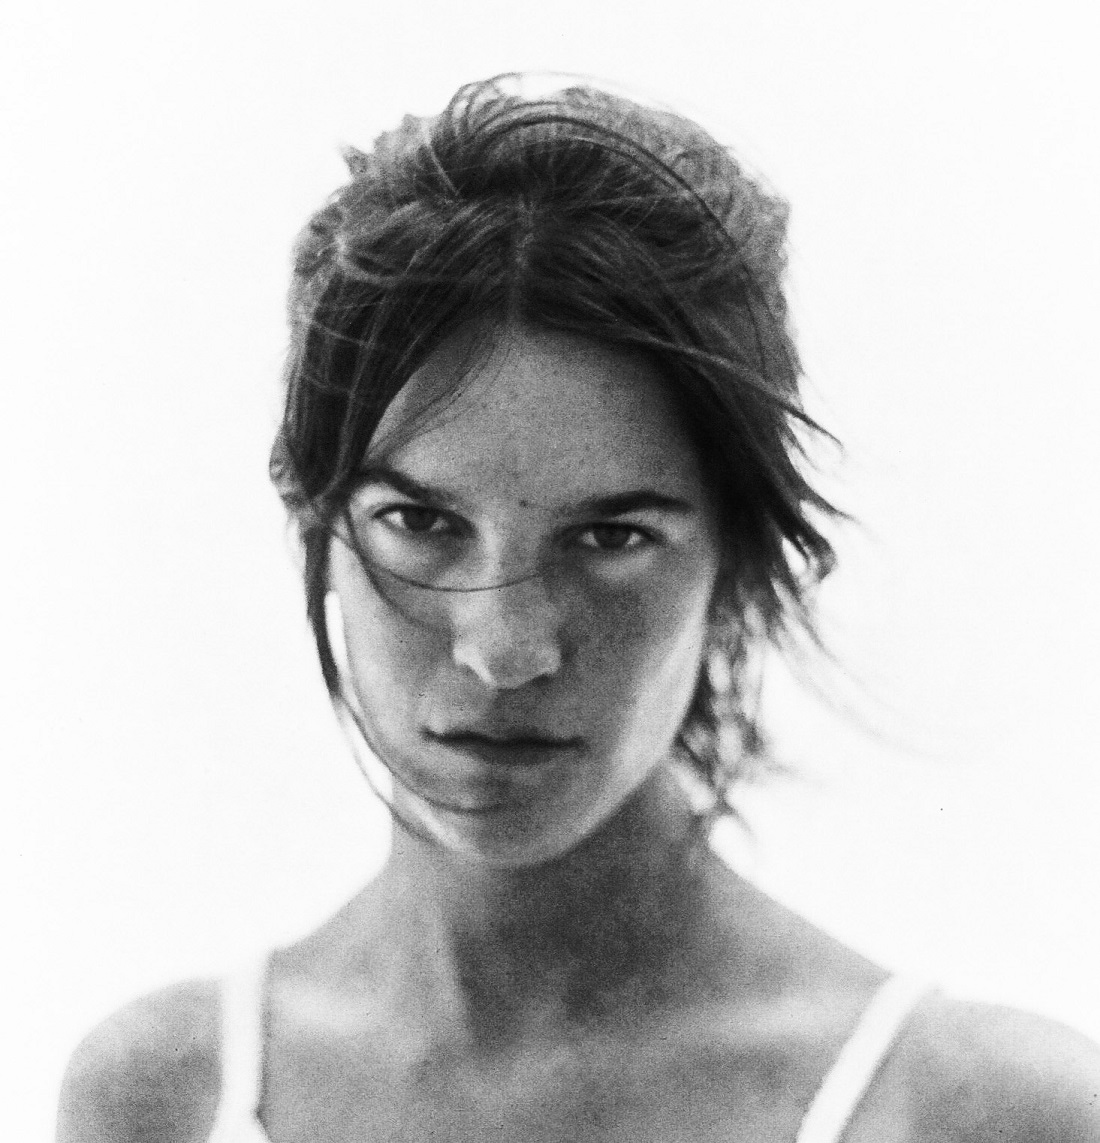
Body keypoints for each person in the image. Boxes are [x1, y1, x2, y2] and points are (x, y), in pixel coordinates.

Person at [57, 73, 1100, 1143]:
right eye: (420, 522)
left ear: (738, 566)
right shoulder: (164, 1096)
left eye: (610, 539)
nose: (503, 648)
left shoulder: (975, 1112)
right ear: (314, 526)